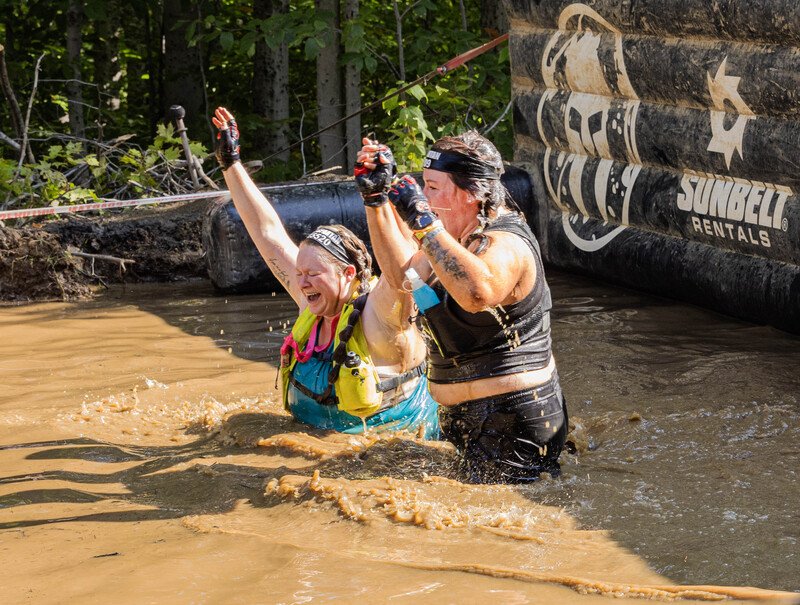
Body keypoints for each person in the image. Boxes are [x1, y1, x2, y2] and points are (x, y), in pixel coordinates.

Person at [212, 107, 438, 438]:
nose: (300, 282)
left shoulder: (381, 315)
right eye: (299, 272)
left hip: (393, 454)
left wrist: (379, 195)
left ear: (348, 274)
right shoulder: (312, 303)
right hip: (315, 443)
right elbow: (267, 232)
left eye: (313, 274)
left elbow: (403, 271)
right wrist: (230, 164)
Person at [355, 131, 568, 482]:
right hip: (466, 421)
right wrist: (375, 200)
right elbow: (402, 277)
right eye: (423, 186)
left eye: (434, 188)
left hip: (513, 423)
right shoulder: (451, 240)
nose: (424, 197)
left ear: (470, 193)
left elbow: (477, 292)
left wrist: (423, 222)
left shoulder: (506, 242)